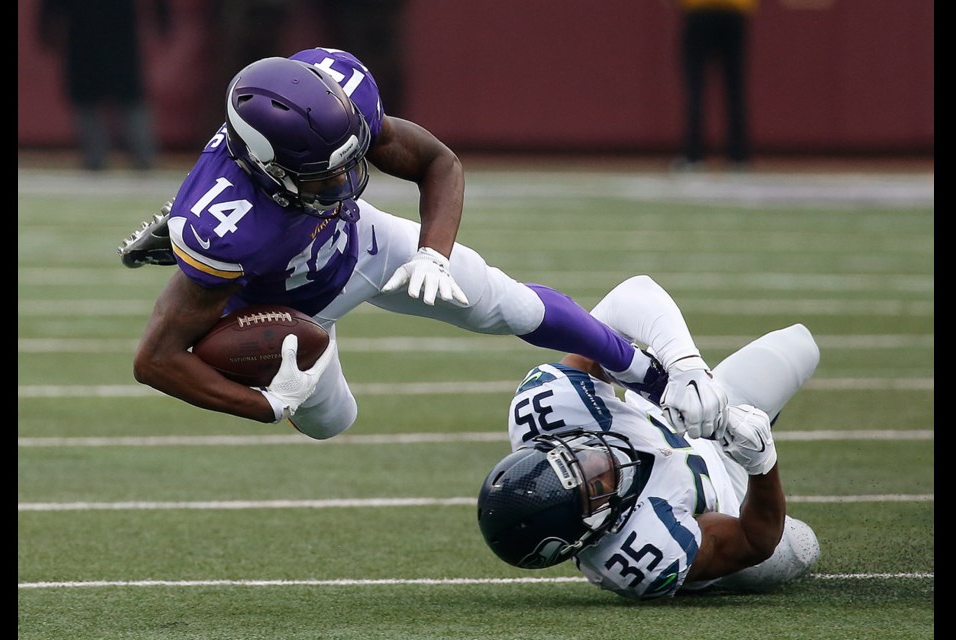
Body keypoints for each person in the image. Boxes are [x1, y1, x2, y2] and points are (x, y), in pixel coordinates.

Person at [117, 49, 729, 440]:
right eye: (323, 175)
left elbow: (438, 161)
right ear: (267, 169)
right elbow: (155, 360)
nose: (344, 180)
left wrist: (434, 251)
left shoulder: (335, 100)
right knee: (333, 423)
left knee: (507, 304)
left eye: (349, 161)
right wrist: (262, 406)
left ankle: (649, 376)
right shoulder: (227, 223)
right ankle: (198, 259)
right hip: (288, 312)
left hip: (362, 242)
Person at [477, 275, 821, 598]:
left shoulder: (551, 409)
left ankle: (740, 419)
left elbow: (627, 299)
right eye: (596, 485)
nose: (600, 461)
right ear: (586, 534)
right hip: (726, 493)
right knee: (801, 547)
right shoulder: (636, 555)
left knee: (800, 344)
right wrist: (761, 463)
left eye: (579, 455)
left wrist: (682, 367)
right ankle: (752, 435)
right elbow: (753, 539)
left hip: (676, 417)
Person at [37, 0, 171, 171]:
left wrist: (163, 17)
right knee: (87, 97)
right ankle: (96, 159)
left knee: (130, 97)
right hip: (83, 33)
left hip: (119, 32)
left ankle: (144, 157)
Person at [670, 0, 757, 171]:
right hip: (731, 12)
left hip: (702, 11)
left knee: (697, 87)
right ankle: (738, 158)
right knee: (734, 90)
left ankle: (694, 156)